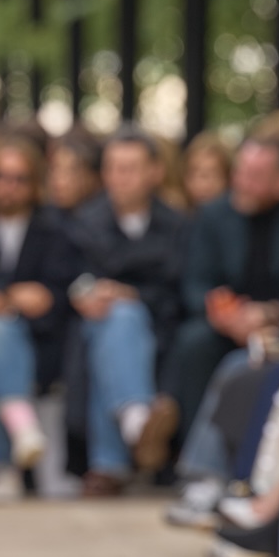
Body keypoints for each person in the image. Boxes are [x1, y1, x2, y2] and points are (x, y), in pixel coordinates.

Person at [170, 131, 279, 435]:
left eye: (255, 176)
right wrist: (224, 312)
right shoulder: (214, 213)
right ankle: (191, 443)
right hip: (225, 324)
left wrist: (271, 312)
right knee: (193, 343)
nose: (243, 184)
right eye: (240, 172)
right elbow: (195, 282)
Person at [0, 136, 79, 499]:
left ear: (35, 184)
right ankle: (21, 426)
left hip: (38, 339)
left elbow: (58, 295)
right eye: (0, 177)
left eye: (19, 178)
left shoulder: (55, 229)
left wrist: (10, 301)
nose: (8, 187)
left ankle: (1, 470)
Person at [68, 129, 187, 492]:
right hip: (93, 323)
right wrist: (86, 295)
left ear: (155, 172)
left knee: (122, 320)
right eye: (113, 168)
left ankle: (110, 464)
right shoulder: (84, 221)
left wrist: (132, 295)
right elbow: (69, 276)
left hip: (158, 326)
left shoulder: (178, 226)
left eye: (130, 168)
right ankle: (138, 426)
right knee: (115, 322)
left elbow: (180, 290)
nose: (119, 178)